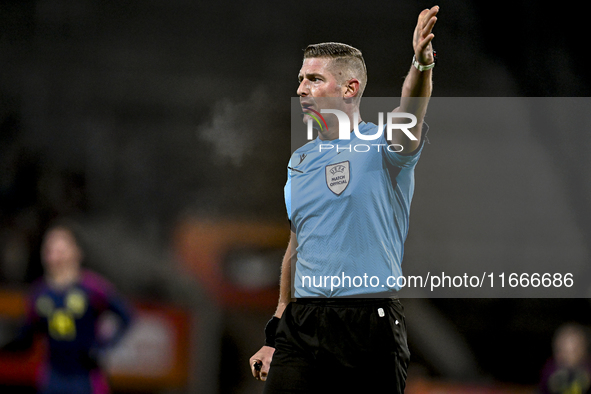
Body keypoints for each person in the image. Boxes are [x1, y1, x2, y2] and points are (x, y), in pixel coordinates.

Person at [249, 5, 439, 393]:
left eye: (314, 79)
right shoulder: (299, 161)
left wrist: (420, 66)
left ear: (349, 88)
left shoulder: (384, 144)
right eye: (301, 79)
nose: (301, 88)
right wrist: (276, 331)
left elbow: (412, 108)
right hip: (303, 325)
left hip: (368, 323)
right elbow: (297, 246)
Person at [2, 221, 133, 394]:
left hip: (86, 378)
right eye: (50, 250)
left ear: (76, 252)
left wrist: (104, 346)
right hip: (53, 378)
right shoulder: (39, 293)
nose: (55, 256)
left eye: (61, 250)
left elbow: (126, 316)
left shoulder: (93, 288)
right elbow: (26, 337)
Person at [540, 323, 591, 394]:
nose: (567, 357)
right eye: (562, 351)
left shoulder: (588, 369)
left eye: (573, 351)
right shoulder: (550, 369)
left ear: (583, 351)